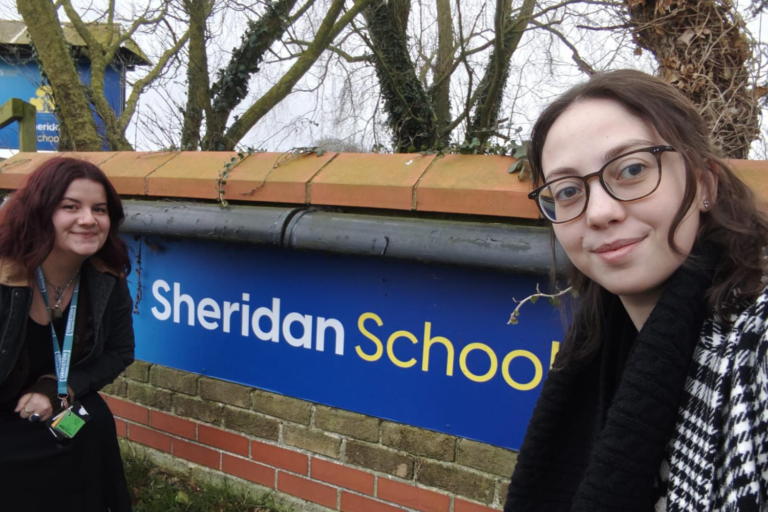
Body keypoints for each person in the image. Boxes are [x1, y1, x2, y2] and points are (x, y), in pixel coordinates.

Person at [505, 69, 768, 512]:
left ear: (704, 184)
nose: (599, 212)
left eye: (632, 169)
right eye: (568, 191)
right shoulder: (600, 343)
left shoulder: (757, 345)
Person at [0, 157, 135, 511]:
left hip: (53, 407)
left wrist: (57, 386)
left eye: (100, 209)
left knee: (91, 419)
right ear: (40, 212)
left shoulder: (106, 278)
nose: (89, 220)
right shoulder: (4, 273)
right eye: (70, 207)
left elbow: (119, 352)